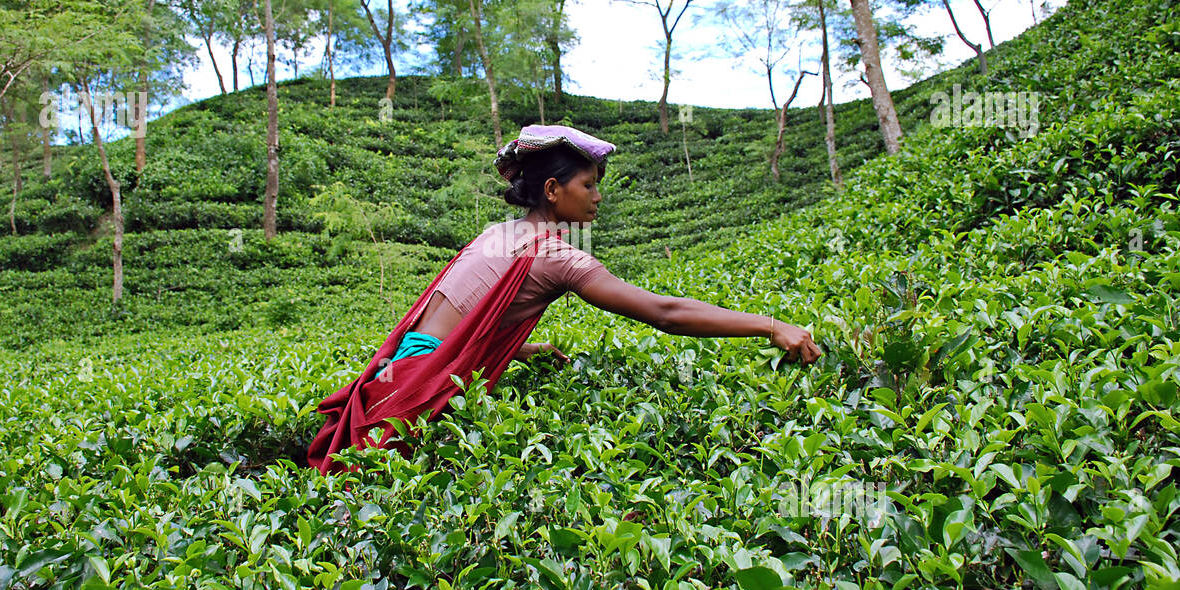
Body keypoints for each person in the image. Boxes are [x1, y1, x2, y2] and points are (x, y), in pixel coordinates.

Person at [306, 124, 821, 474]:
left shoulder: (499, 235)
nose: (598, 196)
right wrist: (771, 326)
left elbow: (456, 317)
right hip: (422, 393)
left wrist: (525, 349)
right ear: (553, 190)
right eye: (589, 184)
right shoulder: (555, 257)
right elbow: (663, 313)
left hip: (394, 377)